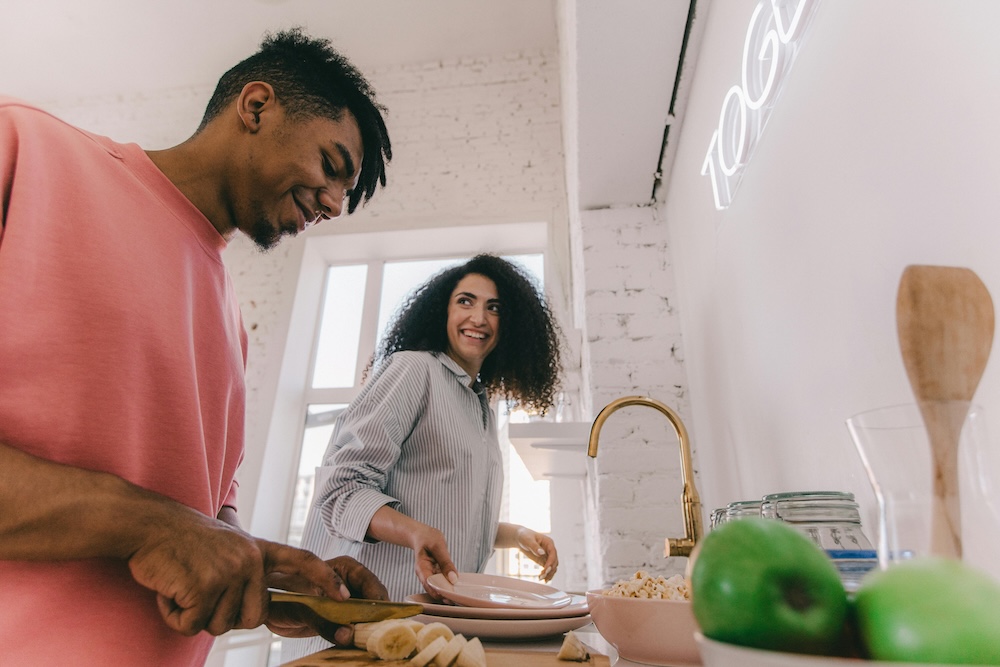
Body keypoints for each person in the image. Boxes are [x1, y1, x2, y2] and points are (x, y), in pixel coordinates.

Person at [0, 29, 392, 666]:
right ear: (257, 106)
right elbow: (168, 528)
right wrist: (148, 525)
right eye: (331, 166)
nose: (331, 204)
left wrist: (265, 575)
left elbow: (203, 522)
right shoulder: (25, 146)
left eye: (343, 196)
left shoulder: (231, 321)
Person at [282, 254, 564, 660]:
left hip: (432, 636)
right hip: (366, 630)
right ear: (441, 310)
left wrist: (515, 534)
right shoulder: (413, 370)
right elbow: (340, 491)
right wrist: (413, 533)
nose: (479, 318)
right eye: (465, 301)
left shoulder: (481, 407)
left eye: (494, 307)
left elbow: (447, 514)